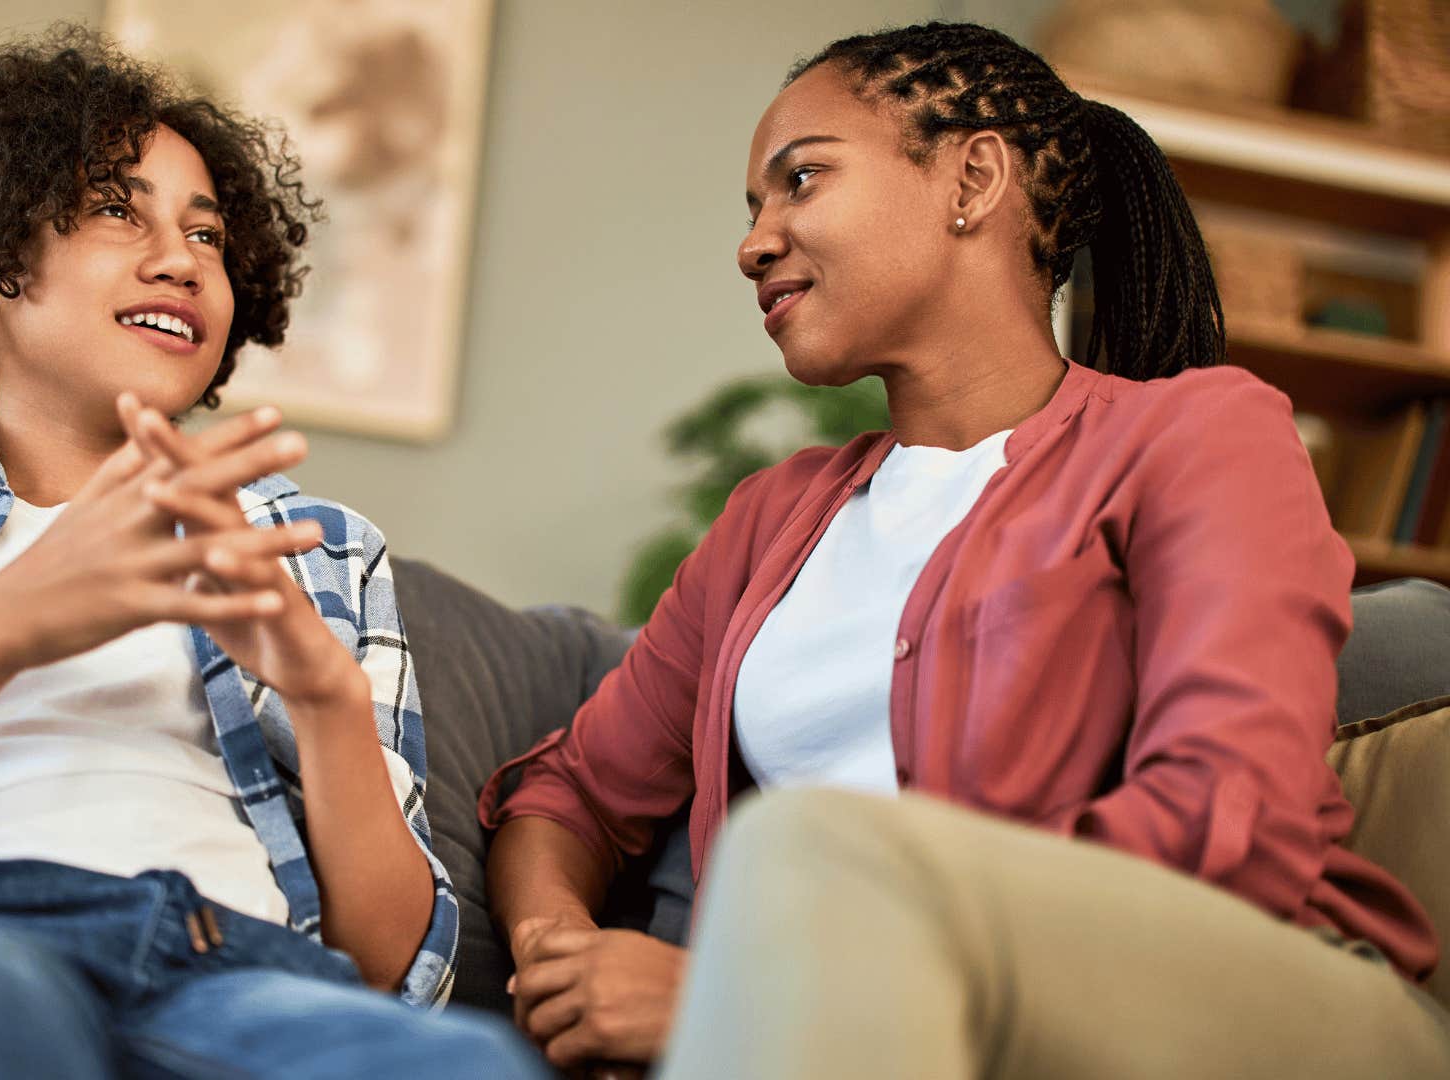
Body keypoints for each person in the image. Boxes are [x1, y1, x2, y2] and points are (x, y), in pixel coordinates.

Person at [481, 21, 1450, 1077]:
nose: (754, 242)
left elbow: (1225, 831)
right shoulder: (770, 521)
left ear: (973, 178)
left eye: (800, 180)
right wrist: (561, 960)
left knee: (806, 850)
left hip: (1242, 1011)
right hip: (876, 1041)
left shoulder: (1196, 439)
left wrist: (755, 981)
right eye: (753, 209)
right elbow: (567, 793)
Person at [0, 28, 541, 1079]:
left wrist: (324, 694)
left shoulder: (322, 552)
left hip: (234, 979)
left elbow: (396, 973)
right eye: (120, 208)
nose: (180, 258)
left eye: (207, 237)